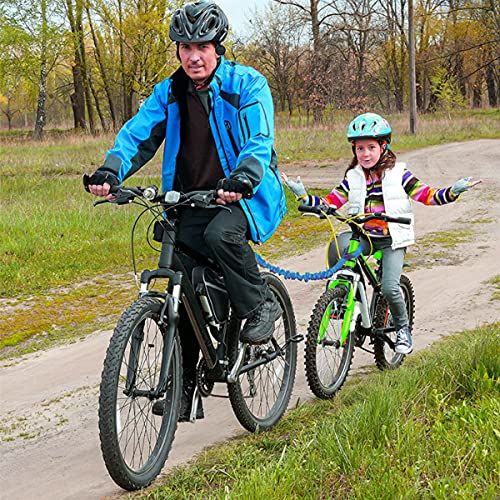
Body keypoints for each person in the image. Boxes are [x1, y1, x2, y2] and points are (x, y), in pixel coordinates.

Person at [84, 1, 286, 421]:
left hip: (243, 195)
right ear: (177, 50)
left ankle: (259, 305)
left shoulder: (247, 84)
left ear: (218, 47)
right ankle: (188, 382)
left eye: (202, 46)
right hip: (189, 197)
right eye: (185, 46)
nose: (193, 56)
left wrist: (244, 177)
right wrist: (110, 170)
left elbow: (258, 139)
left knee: (220, 236)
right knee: (180, 277)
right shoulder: (170, 92)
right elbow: (138, 135)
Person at [282, 112, 481, 355]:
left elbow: (428, 195)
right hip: (365, 236)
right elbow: (330, 202)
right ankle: (343, 302)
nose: (365, 154)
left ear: (384, 146)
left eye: (371, 148)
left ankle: (402, 329)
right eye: (360, 148)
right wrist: (303, 195)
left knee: (389, 287)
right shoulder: (353, 177)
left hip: (392, 239)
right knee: (339, 246)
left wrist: (453, 191)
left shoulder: (399, 174)